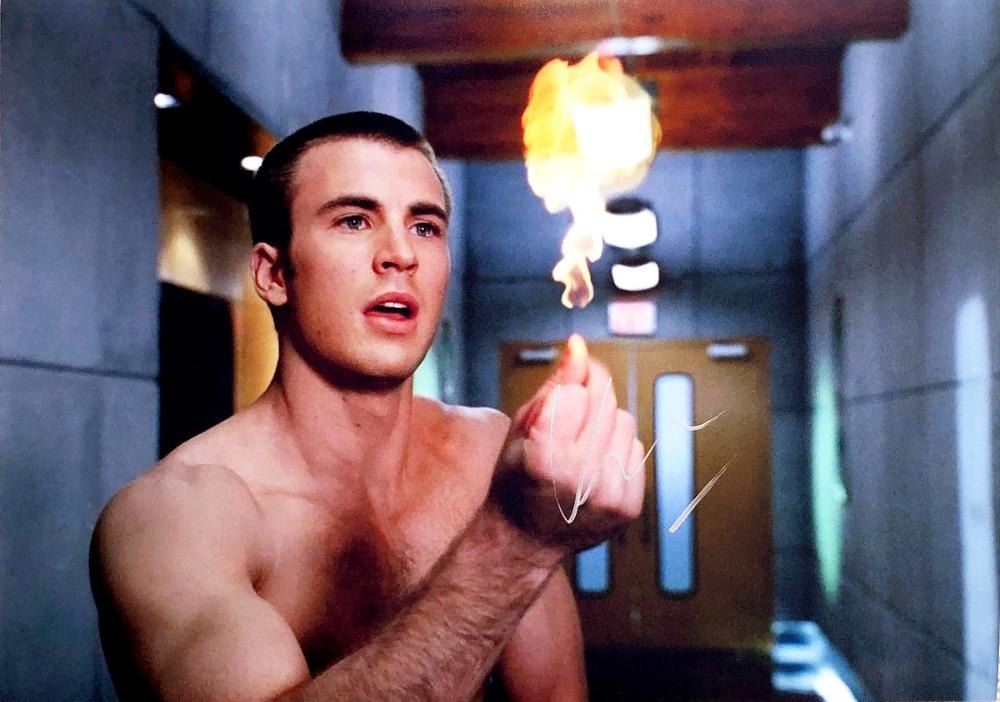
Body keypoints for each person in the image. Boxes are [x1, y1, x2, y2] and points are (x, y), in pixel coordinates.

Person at [89, 112, 646, 701]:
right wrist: (515, 542)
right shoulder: (173, 519)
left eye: (425, 227)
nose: (401, 254)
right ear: (274, 274)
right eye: (354, 220)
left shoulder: (484, 456)